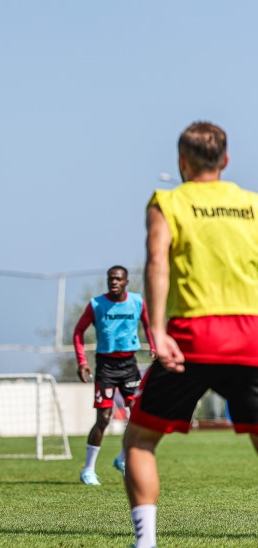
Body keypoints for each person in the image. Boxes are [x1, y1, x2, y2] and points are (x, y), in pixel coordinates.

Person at [124, 121, 258, 548]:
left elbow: (157, 262)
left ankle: (146, 543)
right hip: (251, 334)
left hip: (191, 336)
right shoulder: (253, 205)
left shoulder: (168, 201)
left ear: (182, 162)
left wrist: (158, 330)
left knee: (141, 439)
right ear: (227, 160)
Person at [72, 266, 156, 486]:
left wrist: (154, 345)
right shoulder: (97, 304)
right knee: (103, 419)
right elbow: (78, 332)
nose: (114, 282)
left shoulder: (137, 302)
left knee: (137, 415)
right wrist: (82, 361)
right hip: (106, 366)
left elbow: (148, 324)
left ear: (126, 282)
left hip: (129, 365)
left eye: (118, 279)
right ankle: (88, 470)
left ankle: (121, 458)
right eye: (111, 279)